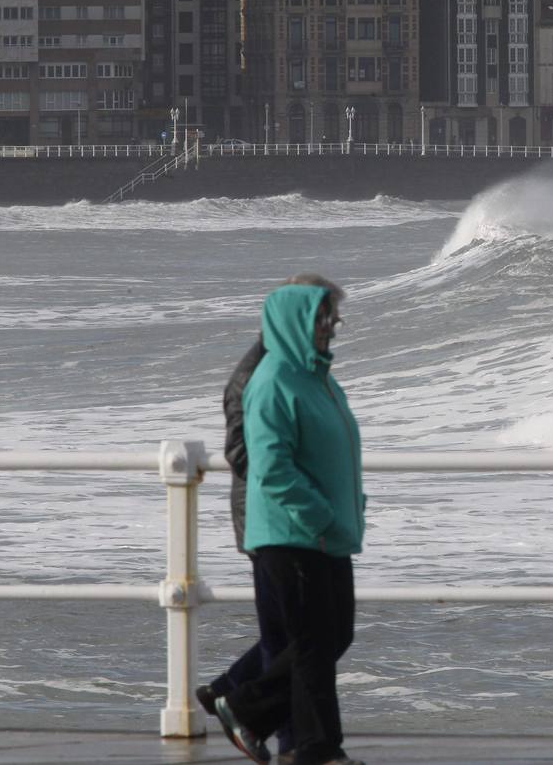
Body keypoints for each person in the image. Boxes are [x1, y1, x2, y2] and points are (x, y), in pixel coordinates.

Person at [211, 280, 366, 765]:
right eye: (325, 316)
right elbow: (269, 464)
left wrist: (349, 505)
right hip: (292, 532)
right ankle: (316, 749)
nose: (333, 327)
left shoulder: (317, 377)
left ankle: (244, 706)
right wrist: (318, 512)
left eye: (334, 317)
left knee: (331, 637)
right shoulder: (273, 379)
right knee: (311, 644)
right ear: (300, 320)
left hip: (327, 533)